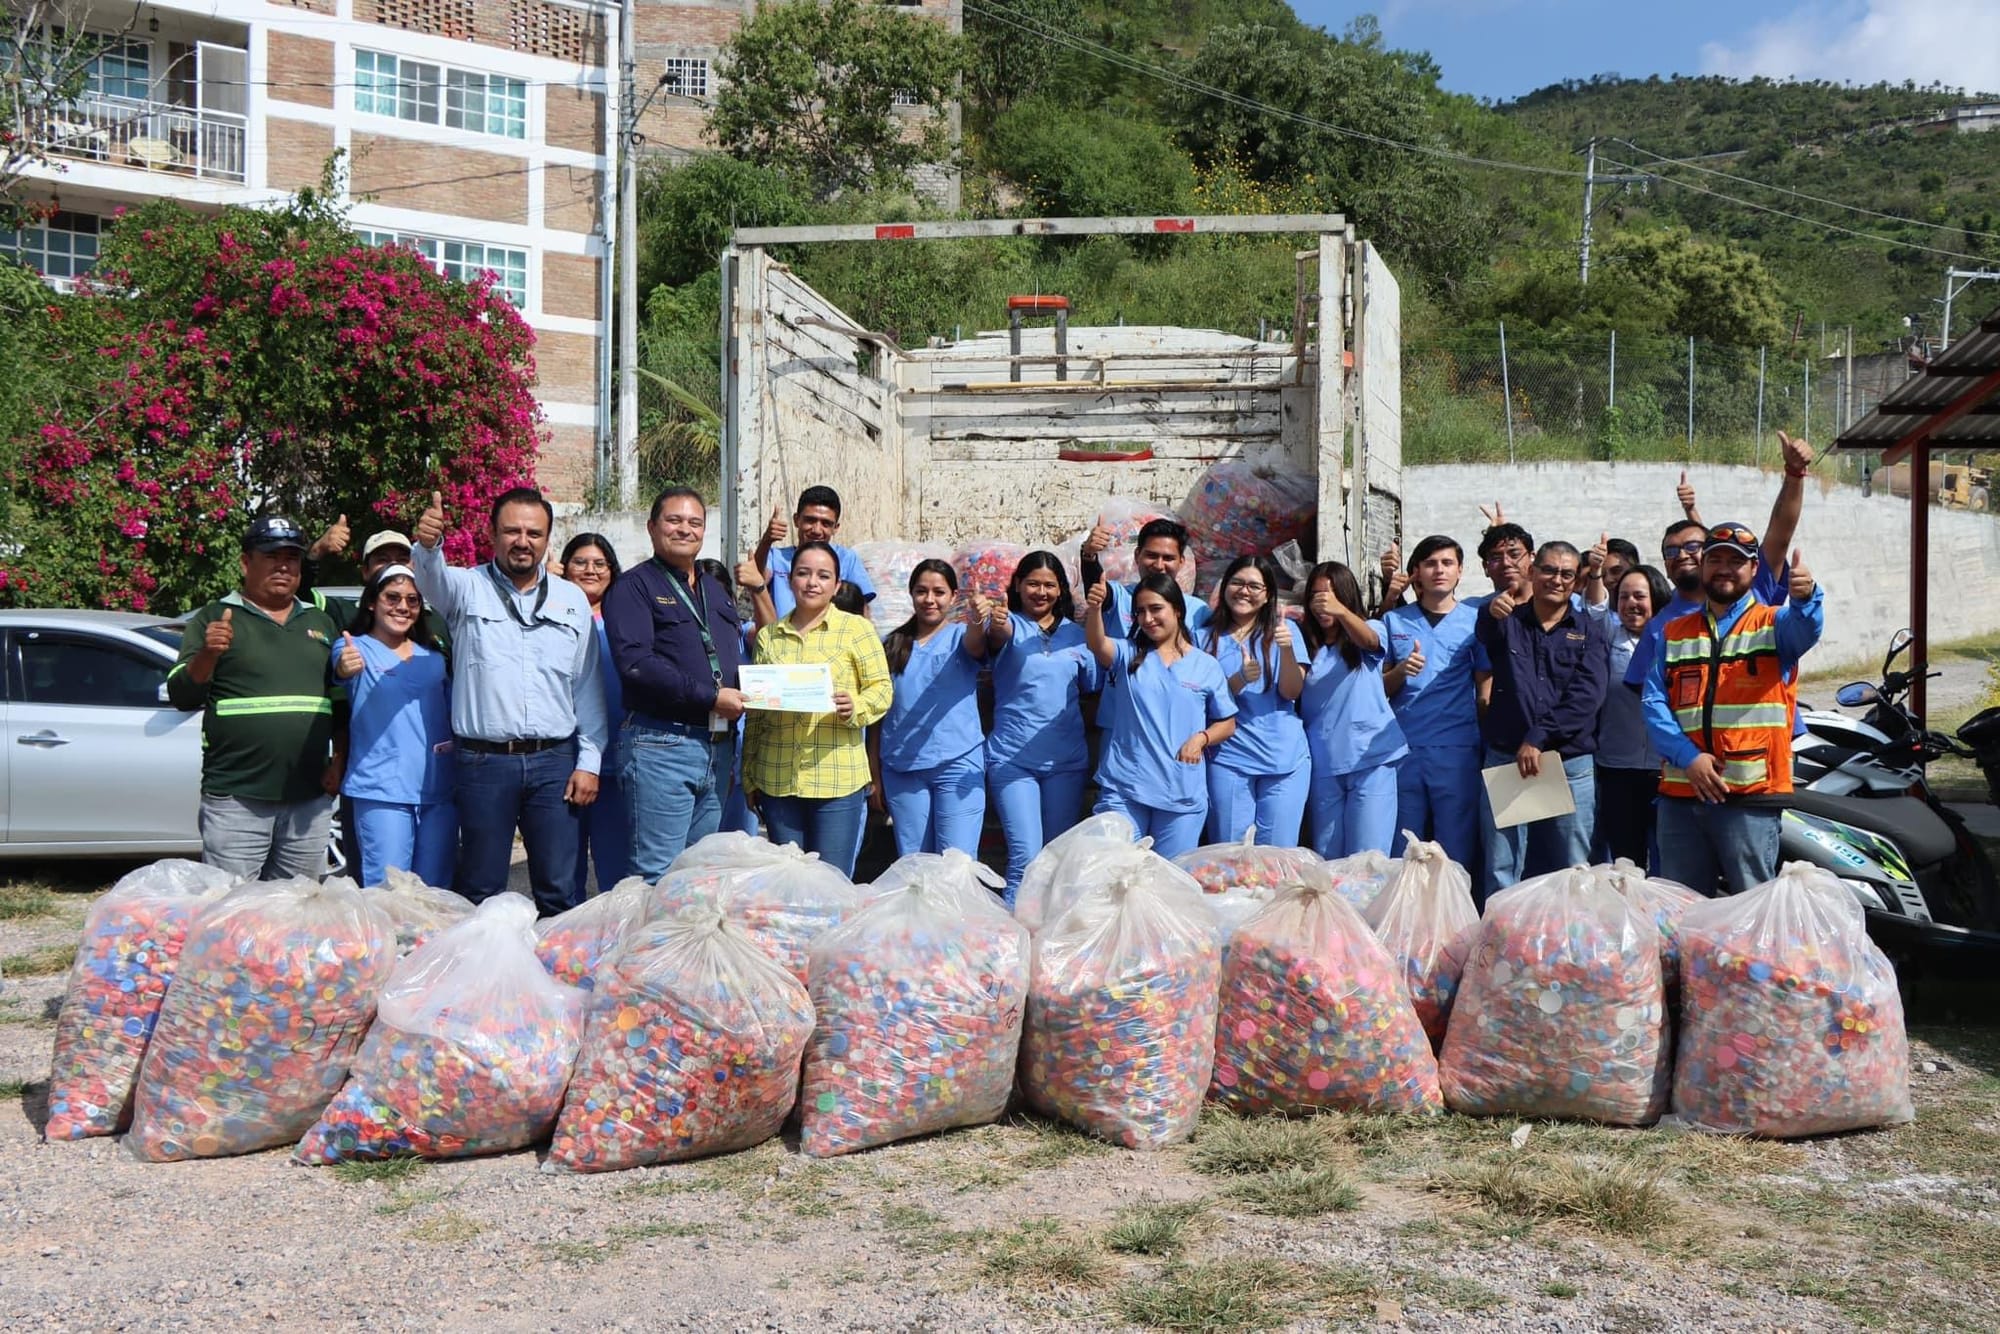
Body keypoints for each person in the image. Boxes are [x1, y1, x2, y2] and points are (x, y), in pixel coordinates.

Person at [411, 487, 606, 915]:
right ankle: (484, 979)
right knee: (481, 888)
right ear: (492, 534)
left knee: (559, 890)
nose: (523, 541)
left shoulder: (571, 599)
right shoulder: (465, 588)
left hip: (554, 763)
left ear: (548, 537)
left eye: (534, 533)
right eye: (511, 531)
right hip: (484, 765)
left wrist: (588, 762)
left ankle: (558, 978)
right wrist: (428, 546)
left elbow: (587, 687)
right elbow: (430, 578)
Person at [1644, 526, 1823, 895]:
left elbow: (1806, 628)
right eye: (1716, 559)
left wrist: (1807, 599)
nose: (1724, 568)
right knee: (1680, 912)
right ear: (1703, 564)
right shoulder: (1673, 632)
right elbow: (1653, 701)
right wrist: (1688, 758)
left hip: (1750, 798)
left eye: (1736, 561)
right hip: (1681, 796)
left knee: (1753, 909)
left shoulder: (1775, 624)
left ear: (1754, 568)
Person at [168, 516, 342, 880]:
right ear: (246, 562)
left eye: (292, 558)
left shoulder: (320, 622)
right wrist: (209, 654)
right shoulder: (215, 617)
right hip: (237, 798)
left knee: (297, 910)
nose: (283, 566)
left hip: (308, 799)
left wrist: (339, 759)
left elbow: (339, 700)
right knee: (233, 911)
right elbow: (182, 693)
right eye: (271, 556)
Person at [600, 492, 748, 879]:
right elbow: (636, 664)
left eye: (695, 522)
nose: (685, 529)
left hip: (716, 747)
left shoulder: (714, 589)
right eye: (673, 520)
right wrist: (713, 697)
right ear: (652, 527)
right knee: (659, 875)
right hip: (661, 746)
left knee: (698, 874)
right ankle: (652, 943)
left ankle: (685, 942)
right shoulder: (633, 587)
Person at [742, 541, 892, 875]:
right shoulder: (770, 638)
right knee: (789, 880)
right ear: (790, 580)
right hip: (778, 778)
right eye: (803, 573)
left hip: (836, 778)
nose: (812, 582)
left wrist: (856, 705)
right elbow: (758, 712)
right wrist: (749, 774)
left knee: (832, 881)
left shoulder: (857, 631)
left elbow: (882, 689)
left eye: (823, 576)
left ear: (836, 585)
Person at [1473, 541, 1609, 897]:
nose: (1557, 580)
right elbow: (1485, 633)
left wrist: (1538, 737)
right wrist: (1490, 611)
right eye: (1548, 570)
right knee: (1502, 867)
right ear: (1532, 572)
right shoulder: (1507, 622)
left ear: (1577, 581)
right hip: (1508, 758)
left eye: (1567, 573)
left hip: (1568, 761)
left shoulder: (1589, 632)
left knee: (1573, 867)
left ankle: (1570, 944)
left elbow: (1586, 697)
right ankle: (1502, 944)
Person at [1627, 436, 1813, 692]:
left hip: (1769, 733)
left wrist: (1794, 475)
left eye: (1693, 547)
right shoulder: (1660, 627)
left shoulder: (1749, 588)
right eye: (1671, 551)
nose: (1682, 555)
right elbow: (1651, 696)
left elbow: (1780, 535)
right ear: (1665, 566)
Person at [1084, 572, 1237, 858]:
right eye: (1140, 612)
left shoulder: (1205, 666)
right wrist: (1094, 609)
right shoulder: (1128, 654)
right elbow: (1097, 643)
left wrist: (1202, 738)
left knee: (1167, 883)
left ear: (1177, 611)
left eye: (1156, 609)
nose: (1148, 618)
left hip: (1180, 792)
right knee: (1115, 875)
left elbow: (1227, 723)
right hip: (1125, 788)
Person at [332, 565, 456, 888]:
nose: (402, 606)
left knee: (434, 894)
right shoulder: (354, 649)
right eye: (392, 597)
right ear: (372, 602)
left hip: (437, 793)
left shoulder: (434, 658)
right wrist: (345, 667)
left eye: (412, 600)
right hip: (381, 792)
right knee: (388, 894)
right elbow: (342, 668)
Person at [985, 551, 1096, 903]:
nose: (1041, 591)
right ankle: (1014, 946)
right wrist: (998, 618)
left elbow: (1092, 686)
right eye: (1033, 583)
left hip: (1065, 764)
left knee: (1057, 861)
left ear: (1061, 590)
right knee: (1025, 858)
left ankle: (1049, 940)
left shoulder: (1078, 636)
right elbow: (996, 633)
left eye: (1050, 585)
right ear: (1018, 585)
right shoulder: (1010, 625)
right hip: (1012, 761)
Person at [1380, 537, 1484, 869]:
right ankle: (1403, 917)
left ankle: (1455, 918)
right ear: (1416, 574)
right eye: (1430, 563)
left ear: (1460, 571)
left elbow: (1485, 683)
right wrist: (1399, 672)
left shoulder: (1476, 620)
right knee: (1403, 845)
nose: (1439, 570)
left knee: (1454, 849)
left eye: (1447, 563)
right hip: (1404, 749)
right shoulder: (1394, 621)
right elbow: (1376, 688)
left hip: (1456, 748)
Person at [873, 560, 989, 857]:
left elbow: (976, 643)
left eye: (939, 592)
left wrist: (978, 618)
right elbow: (876, 713)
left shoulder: (960, 637)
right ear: (911, 594)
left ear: (953, 596)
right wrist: (874, 773)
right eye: (922, 591)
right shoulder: (891, 644)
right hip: (902, 768)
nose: (930, 599)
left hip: (957, 763)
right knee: (916, 865)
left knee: (957, 863)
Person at [1300, 561, 1407, 859]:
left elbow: (1371, 641)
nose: (1323, 604)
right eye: (1316, 596)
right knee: (1327, 858)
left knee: (1367, 859)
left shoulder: (1369, 629)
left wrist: (1342, 612)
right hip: (1324, 764)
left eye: (1331, 596)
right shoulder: (1308, 644)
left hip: (1371, 761)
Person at [1202, 555, 1309, 847]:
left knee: (1278, 857)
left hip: (1283, 757)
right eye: (1237, 582)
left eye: (1254, 586)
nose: (1244, 591)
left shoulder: (1286, 632)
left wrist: (1286, 650)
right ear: (1224, 588)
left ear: (1267, 596)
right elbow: (1202, 700)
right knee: (1229, 855)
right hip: (1229, 758)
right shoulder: (1205, 637)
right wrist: (1239, 679)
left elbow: (1291, 692)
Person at [562, 532, 633, 893]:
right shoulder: (551, 618)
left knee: (616, 868)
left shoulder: (627, 621)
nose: (590, 570)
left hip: (618, 760)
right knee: (563, 867)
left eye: (599, 563)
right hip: (562, 761)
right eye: (580, 562)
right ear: (564, 568)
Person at [1595, 564, 1670, 867]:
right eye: (1623, 596)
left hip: (1666, 769)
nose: (1630, 604)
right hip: (1617, 768)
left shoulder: (1674, 636)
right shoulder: (1609, 635)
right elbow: (1594, 608)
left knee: (1668, 859)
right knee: (1626, 864)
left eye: (1639, 596)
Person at [697, 556, 760, 838]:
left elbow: (768, 632)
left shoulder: (742, 631)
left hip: (741, 753)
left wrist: (758, 587)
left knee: (740, 844)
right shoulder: (685, 636)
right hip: (704, 750)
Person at [753, 486, 877, 619]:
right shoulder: (776, 557)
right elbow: (756, 579)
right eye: (810, 520)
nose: (817, 530)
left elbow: (863, 608)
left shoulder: (846, 558)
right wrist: (766, 541)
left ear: (836, 528)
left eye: (826, 524)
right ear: (796, 520)